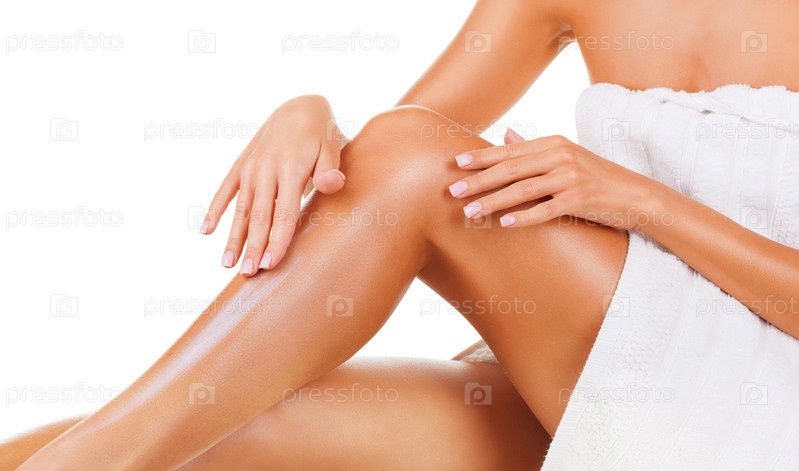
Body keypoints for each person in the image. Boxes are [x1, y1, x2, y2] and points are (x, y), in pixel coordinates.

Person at [4, 0, 799, 469]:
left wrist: (644, 203)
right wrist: (309, 116)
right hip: (593, 375)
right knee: (229, 431)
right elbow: (389, 165)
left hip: (766, 401)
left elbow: (409, 162)